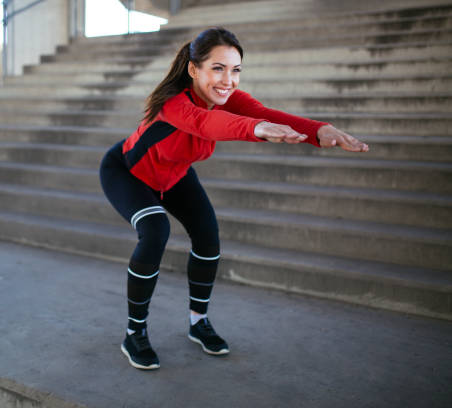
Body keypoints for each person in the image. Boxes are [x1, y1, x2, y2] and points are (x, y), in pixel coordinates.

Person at [99, 27, 369, 371]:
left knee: (209, 237)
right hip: (128, 172)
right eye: (218, 68)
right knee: (155, 231)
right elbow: (205, 124)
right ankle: (133, 332)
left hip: (176, 174)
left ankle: (199, 323)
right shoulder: (175, 104)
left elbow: (268, 115)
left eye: (235, 69)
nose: (228, 80)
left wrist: (319, 131)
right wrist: (253, 129)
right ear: (193, 69)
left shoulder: (226, 97)